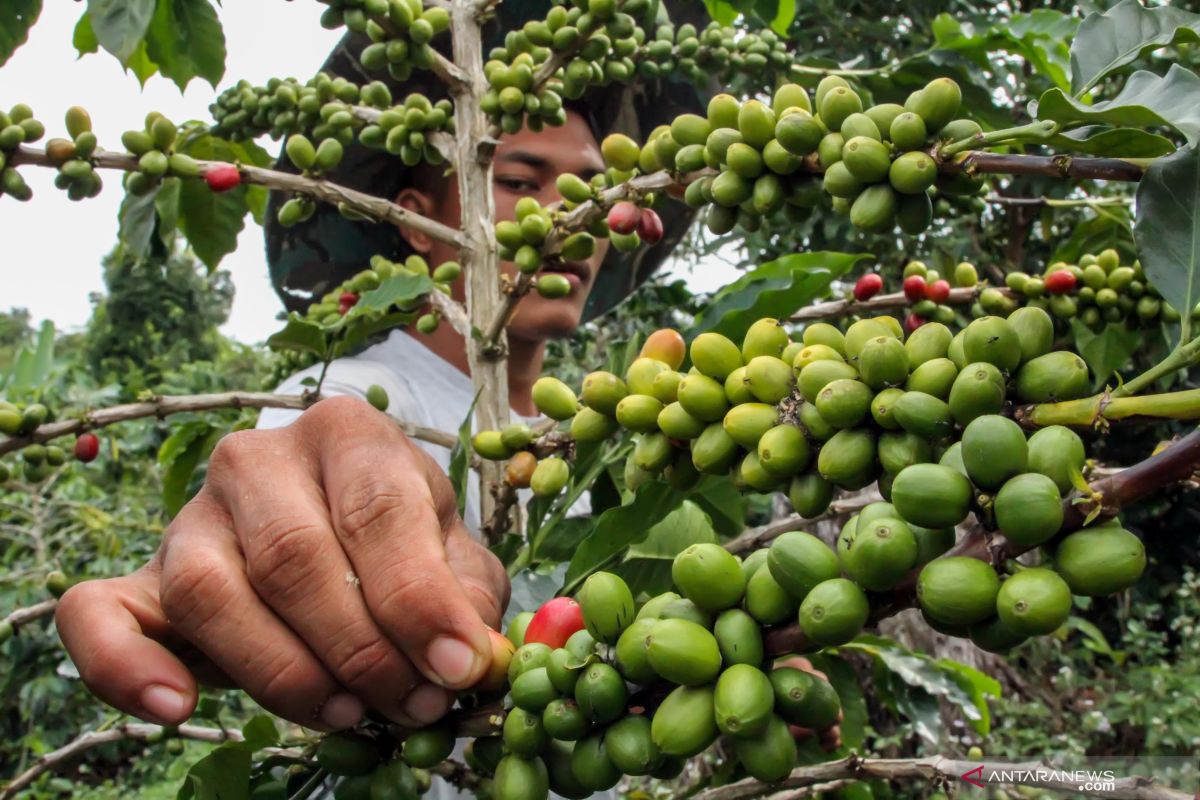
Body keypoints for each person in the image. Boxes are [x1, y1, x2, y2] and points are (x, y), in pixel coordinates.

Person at [54, 18, 838, 794]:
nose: (573, 219)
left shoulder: (608, 431)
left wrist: (746, 653)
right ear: (422, 224)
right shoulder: (349, 398)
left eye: (594, 190)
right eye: (523, 183)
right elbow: (294, 478)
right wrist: (256, 526)